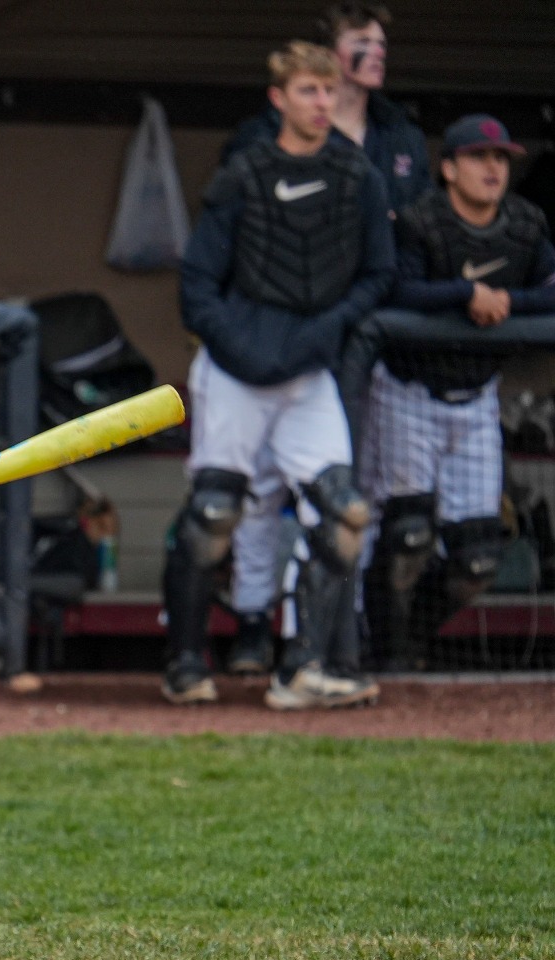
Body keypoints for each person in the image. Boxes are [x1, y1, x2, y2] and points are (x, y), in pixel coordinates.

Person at [172, 41, 394, 711]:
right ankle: (184, 660)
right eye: (307, 91)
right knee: (215, 513)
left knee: (343, 511)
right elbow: (196, 285)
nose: (321, 103)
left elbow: (379, 274)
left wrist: (322, 332)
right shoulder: (244, 174)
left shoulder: (360, 178)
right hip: (236, 367)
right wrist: (241, 344)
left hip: (308, 369)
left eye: (329, 92)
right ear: (279, 98)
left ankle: (303, 667)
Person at [219, 2, 429, 672]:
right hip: (273, 341)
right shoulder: (261, 140)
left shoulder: (397, 135)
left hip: (370, 340)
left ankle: (333, 641)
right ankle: (254, 625)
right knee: (252, 494)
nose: (377, 52)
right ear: (330, 55)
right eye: (362, 42)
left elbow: (408, 242)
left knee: (351, 499)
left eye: (382, 42)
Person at [363, 115, 555, 669]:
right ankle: (387, 648)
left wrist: (507, 302)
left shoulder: (524, 223)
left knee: (477, 561)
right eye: (479, 158)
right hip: (408, 391)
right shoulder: (422, 220)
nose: (493, 168)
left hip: (476, 395)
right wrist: (465, 294)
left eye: (501, 159)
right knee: (408, 538)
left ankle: (411, 638)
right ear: (449, 169)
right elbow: (397, 287)